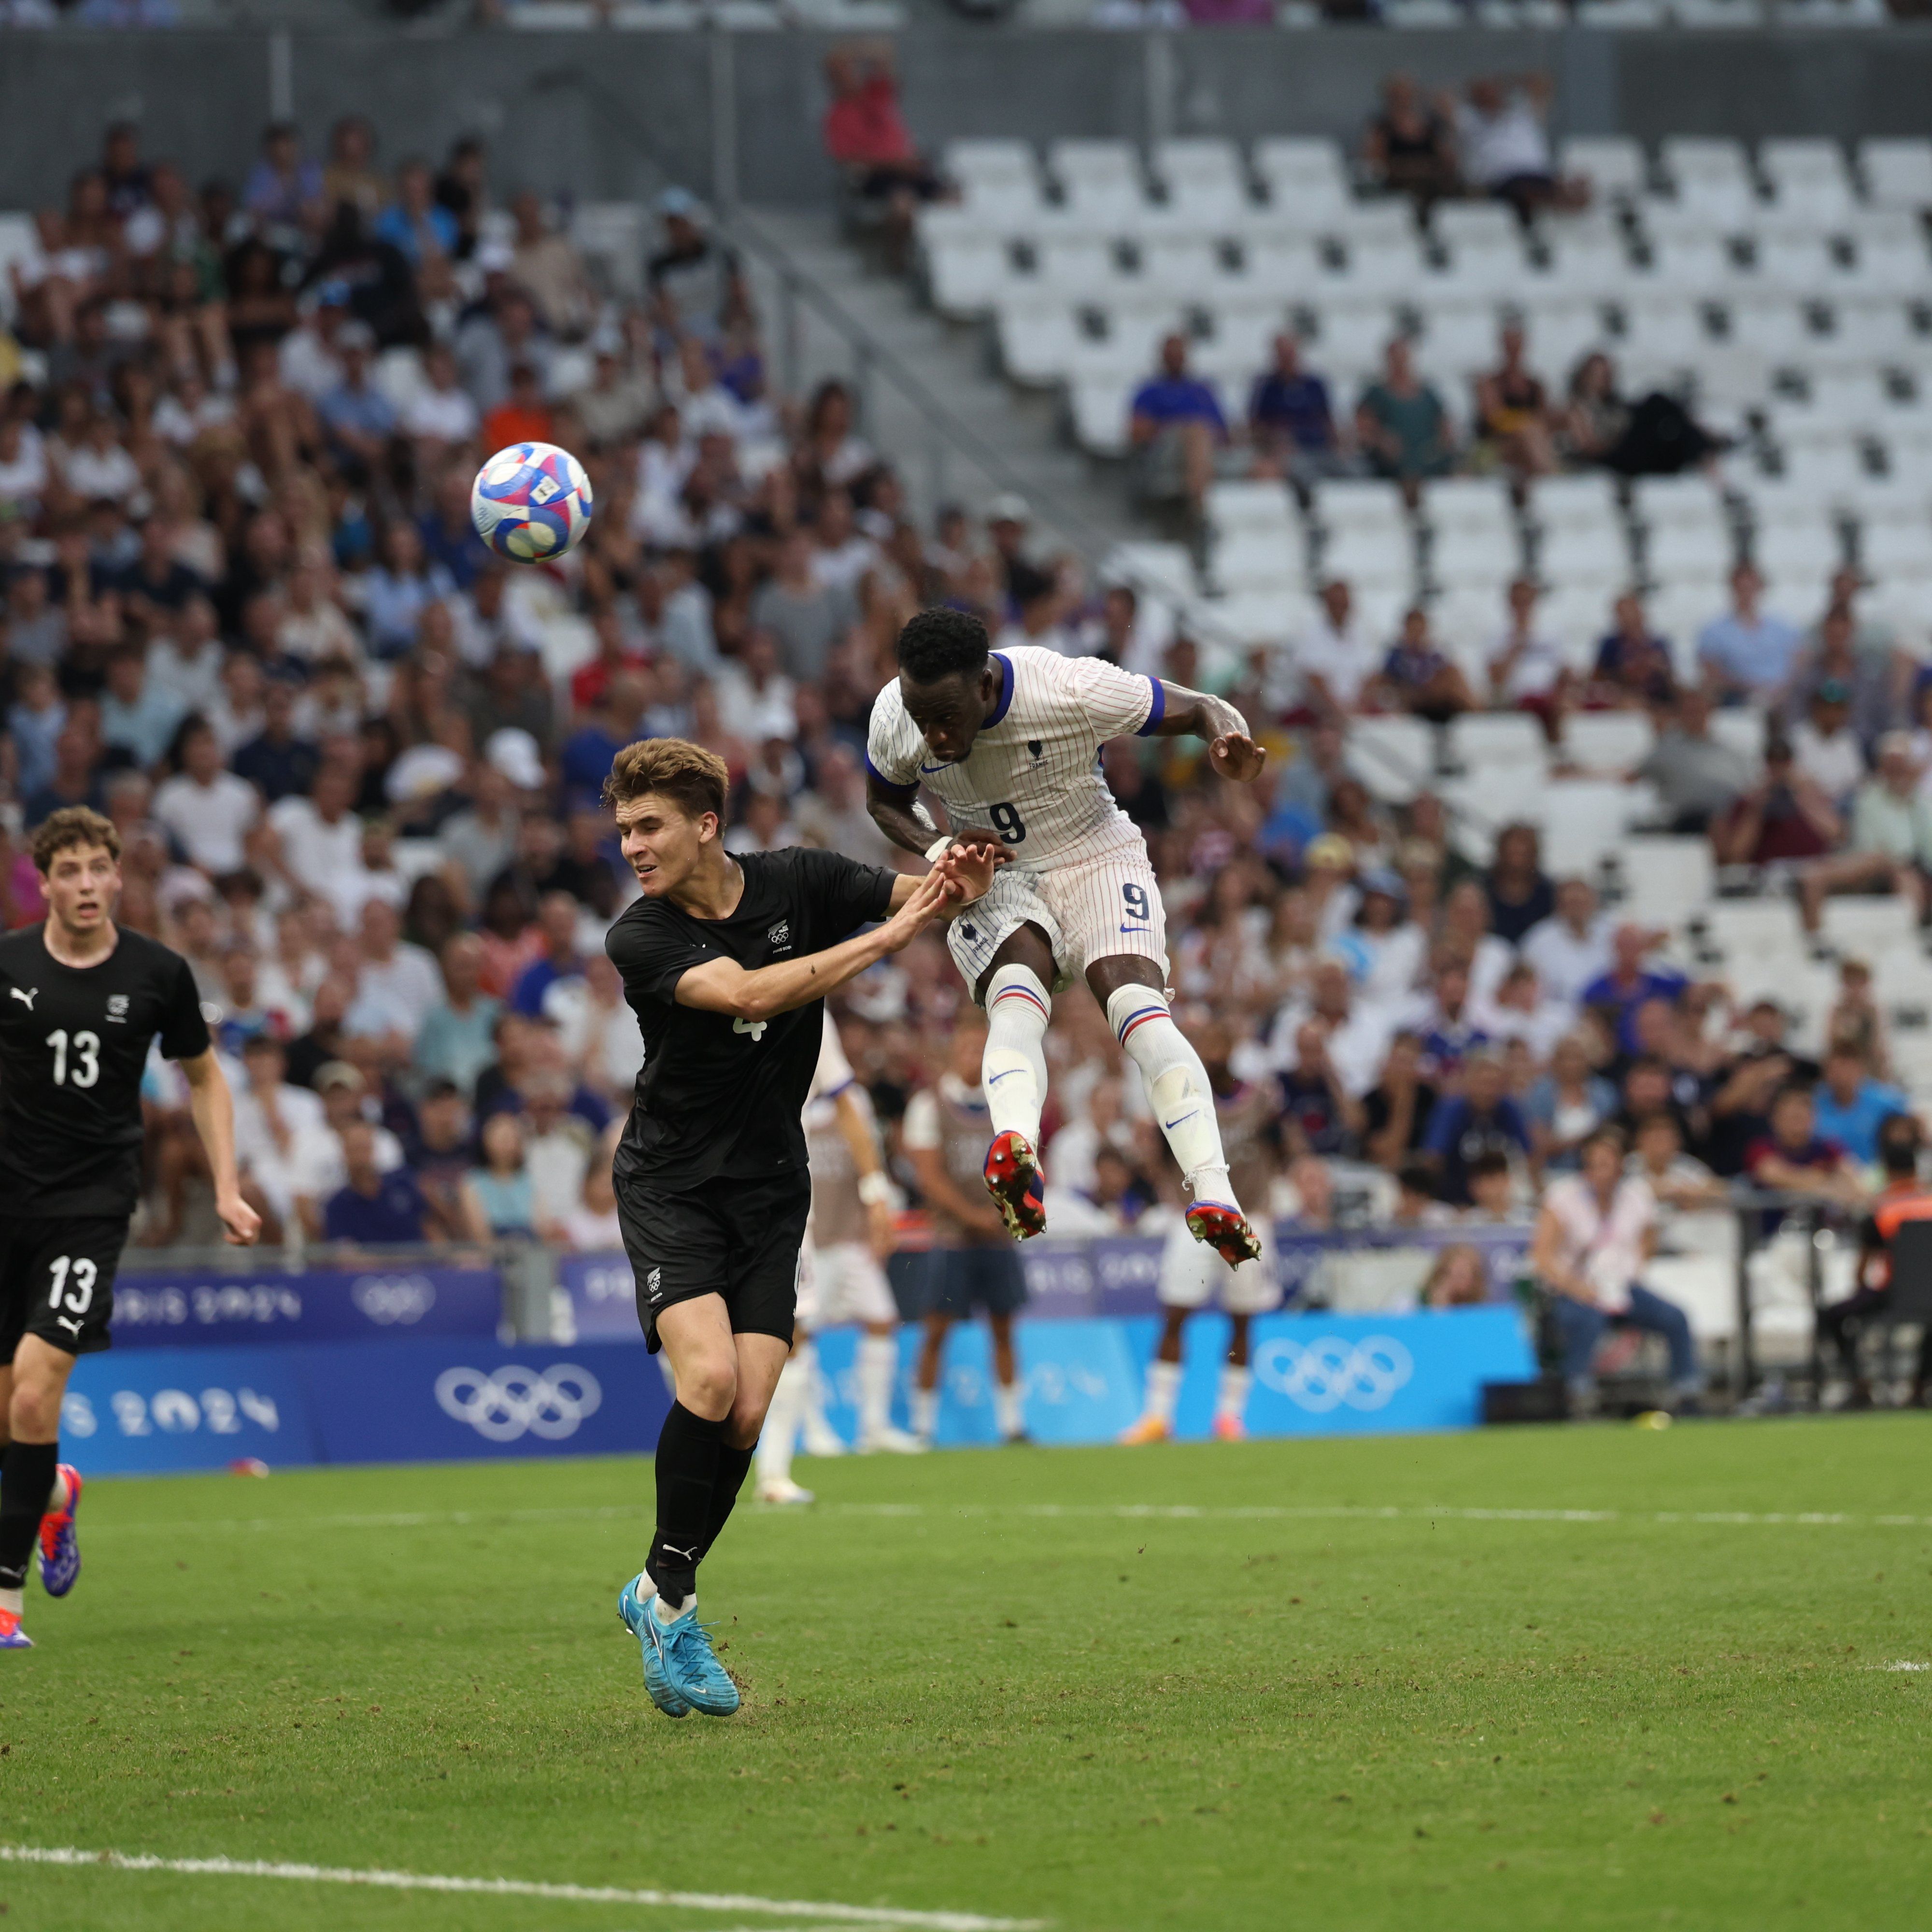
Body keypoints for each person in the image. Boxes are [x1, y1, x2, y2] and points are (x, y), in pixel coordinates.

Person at [603, 738, 989, 1721]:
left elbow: (914, 889)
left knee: (748, 1409)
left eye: (647, 826)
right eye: (622, 830)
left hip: (771, 1192)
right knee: (709, 1381)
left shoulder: (803, 880)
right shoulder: (639, 936)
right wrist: (888, 940)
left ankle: (661, 1593)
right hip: (672, 1185)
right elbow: (748, 992)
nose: (632, 846)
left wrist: (959, 869)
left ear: (703, 823)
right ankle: (675, 1605)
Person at [864, 606, 1267, 1272]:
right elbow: (885, 799)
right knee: (1017, 987)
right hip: (994, 870)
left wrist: (1229, 740)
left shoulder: (1069, 689)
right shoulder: (897, 716)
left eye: (946, 718)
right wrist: (941, 847)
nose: (932, 735)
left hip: (1093, 854)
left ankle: (1214, 1192)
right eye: (921, 715)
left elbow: (1200, 706)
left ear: (987, 687)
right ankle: (1015, 1149)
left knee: (1137, 1007)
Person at [0, 807, 261, 1650]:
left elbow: (205, 1080)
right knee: (11, 1417)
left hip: (91, 1207)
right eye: (67, 872)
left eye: (97, 870)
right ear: (44, 882)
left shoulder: (158, 973)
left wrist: (225, 1185)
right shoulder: (6, 966)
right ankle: (52, 1495)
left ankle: (5, 1606)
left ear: (118, 876)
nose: (84, 886)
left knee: (38, 1392)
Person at [754, 1013, 920, 1507]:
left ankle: (773, 1472)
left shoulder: (807, 1005)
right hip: (705, 1188)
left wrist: (875, 1192)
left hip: (780, 1197)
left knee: (794, 1332)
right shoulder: (698, 983)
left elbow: (845, 1099)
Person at [1121, 1018, 1283, 1447]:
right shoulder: (1181, 1090)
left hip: (1248, 1217)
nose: (1212, 1052)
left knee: (1242, 1319)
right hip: (1194, 1218)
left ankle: (1230, 1418)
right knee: (1176, 1312)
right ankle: (1158, 1417)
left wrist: (1269, 1201)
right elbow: (1156, 1153)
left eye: (1219, 1041)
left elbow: (1283, 1150)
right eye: (1206, 1042)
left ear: (1232, 1046)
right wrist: (1171, 1194)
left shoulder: (1261, 1101)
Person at [902, 1013, 1029, 1448]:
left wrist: (1010, 1209)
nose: (974, 1057)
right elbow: (929, 1178)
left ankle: (1013, 1425)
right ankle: (922, 1428)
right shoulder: (929, 1104)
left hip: (996, 1234)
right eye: (968, 1048)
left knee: (1004, 1328)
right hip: (954, 1237)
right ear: (953, 1054)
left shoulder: (1006, 1103)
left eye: (982, 1049)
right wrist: (976, 1217)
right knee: (936, 1330)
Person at [1533, 1127, 1700, 1417]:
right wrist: (1576, 1287)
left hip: (1621, 1286)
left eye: (1609, 1165)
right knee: (1588, 1319)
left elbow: (1649, 1236)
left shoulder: (1637, 1195)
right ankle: (1577, 1392)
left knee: (1675, 1317)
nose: (1603, 1173)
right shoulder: (1563, 1197)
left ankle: (1687, 1391)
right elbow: (1543, 1257)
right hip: (1575, 1289)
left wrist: (1632, 1269)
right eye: (1596, 1165)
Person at [1818, 1111, 1932, 1408]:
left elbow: (1864, 1267)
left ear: (1887, 1171)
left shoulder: (1883, 1209)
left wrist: (1861, 1290)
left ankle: (1861, 1386)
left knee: (1834, 1316)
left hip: (1893, 1294)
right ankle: (1919, 1389)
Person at [1129, 334, 1227, 515]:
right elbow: (1137, 433)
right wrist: (1179, 427)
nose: (1175, 360)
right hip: (1165, 451)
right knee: (1196, 432)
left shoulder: (1202, 390)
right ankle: (1201, 504)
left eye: (1179, 355)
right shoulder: (1150, 391)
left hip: (1208, 449)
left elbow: (1223, 429)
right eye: (1170, 355)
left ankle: (1199, 494)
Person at [1810, 1043, 1912, 1167]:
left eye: (1847, 1069)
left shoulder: (1881, 1099)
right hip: (1825, 1177)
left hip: (1870, 1174)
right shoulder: (1814, 1101)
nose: (1841, 1076)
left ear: (1860, 1069)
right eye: (1834, 1070)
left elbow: (1913, 1120)